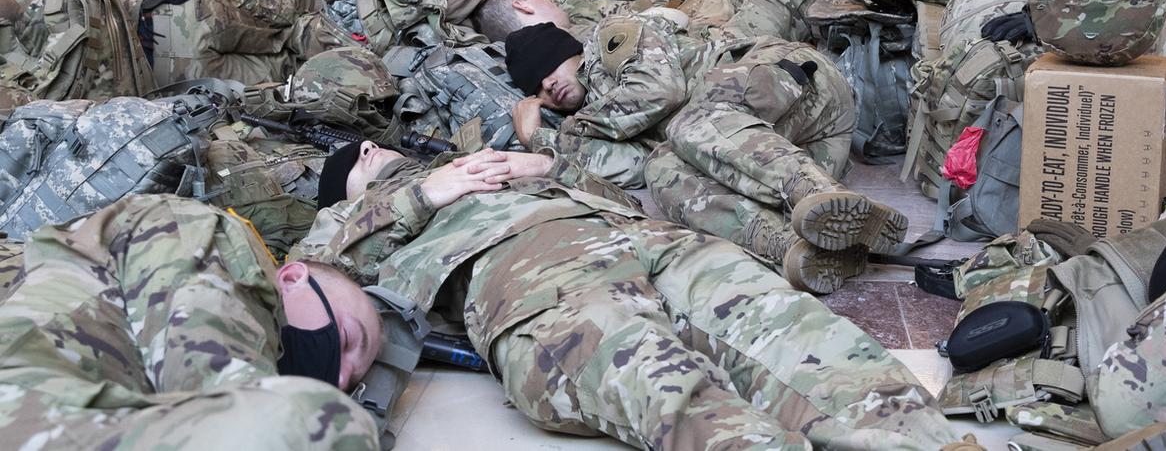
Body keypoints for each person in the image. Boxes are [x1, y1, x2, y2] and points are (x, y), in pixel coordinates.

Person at [295, 143, 968, 450]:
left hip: (647, 244)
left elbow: (618, 195)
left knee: (805, 340)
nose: (374, 150)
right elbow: (309, 266)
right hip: (539, 293)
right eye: (358, 160)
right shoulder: (352, 223)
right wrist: (420, 193)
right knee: (681, 401)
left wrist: (547, 166)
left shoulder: (481, 160)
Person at [502, 19, 908, 293]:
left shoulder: (612, 42)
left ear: (570, 53)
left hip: (795, 82)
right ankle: (796, 247)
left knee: (686, 126)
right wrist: (538, 140)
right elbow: (630, 167)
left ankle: (821, 195)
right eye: (536, 88)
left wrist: (573, 126)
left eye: (548, 67)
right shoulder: (607, 115)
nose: (548, 85)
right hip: (782, 144)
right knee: (662, 169)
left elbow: (660, 92)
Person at [0, 194, 381, 449]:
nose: (342, 377)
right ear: (293, 278)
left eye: (353, 379)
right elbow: (216, 372)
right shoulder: (212, 238)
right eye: (347, 339)